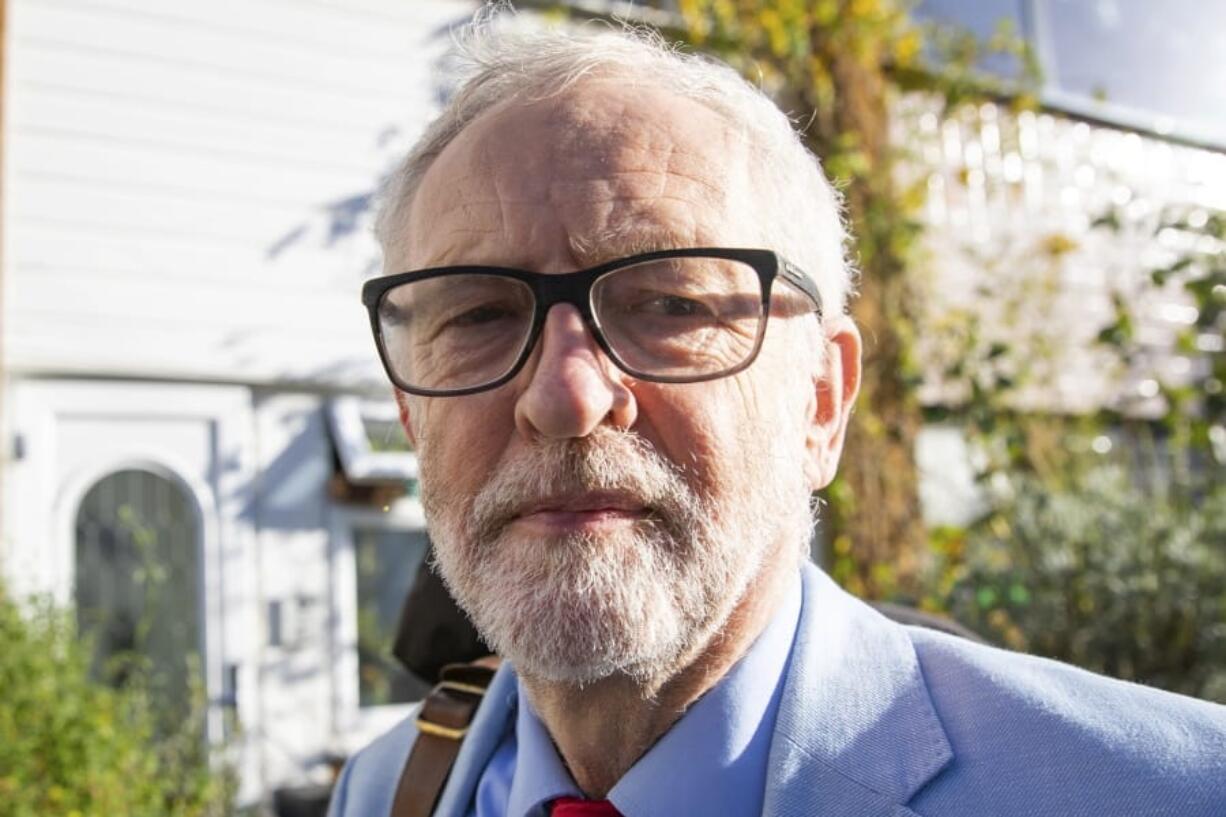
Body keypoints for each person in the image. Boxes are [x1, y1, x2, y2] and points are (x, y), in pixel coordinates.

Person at [329, 17, 1226, 817]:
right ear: (411, 416)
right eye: (480, 315)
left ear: (822, 402)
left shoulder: (1170, 790)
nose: (564, 397)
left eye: (672, 305)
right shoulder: (383, 789)